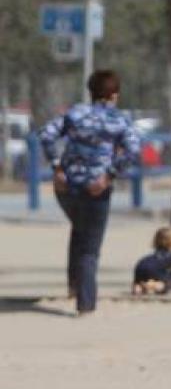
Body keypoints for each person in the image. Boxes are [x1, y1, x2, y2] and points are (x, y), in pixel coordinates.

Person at [38, 69, 141, 315]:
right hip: (96, 188)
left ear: (91, 92)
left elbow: (46, 135)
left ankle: (74, 285)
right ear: (115, 95)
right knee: (90, 247)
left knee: (80, 229)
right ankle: (85, 304)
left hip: (66, 186)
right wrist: (109, 175)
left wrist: (57, 166)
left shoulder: (75, 113)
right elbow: (133, 151)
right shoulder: (120, 120)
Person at [132, 227, 171, 296]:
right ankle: (154, 285)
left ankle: (140, 286)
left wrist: (136, 282)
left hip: (142, 266)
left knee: (141, 282)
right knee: (167, 283)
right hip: (156, 274)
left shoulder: (147, 258)